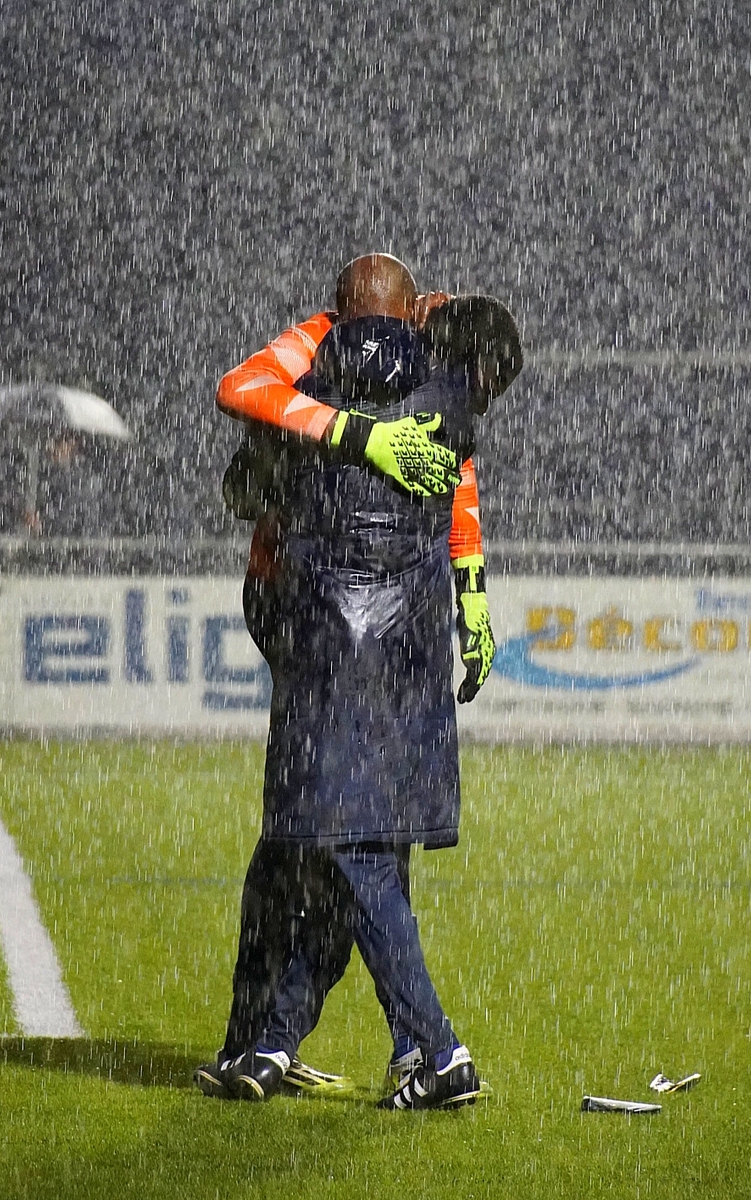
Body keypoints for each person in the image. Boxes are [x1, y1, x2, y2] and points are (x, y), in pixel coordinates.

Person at [196, 254, 503, 1110]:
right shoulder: (335, 354)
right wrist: (357, 435)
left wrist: (471, 588)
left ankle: (281, 1042)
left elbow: (453, 469)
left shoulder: (407, 370)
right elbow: (241, 389)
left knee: (334, 835)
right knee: (349, 836)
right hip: (336, 623)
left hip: (328, 624)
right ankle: (344, 1044)